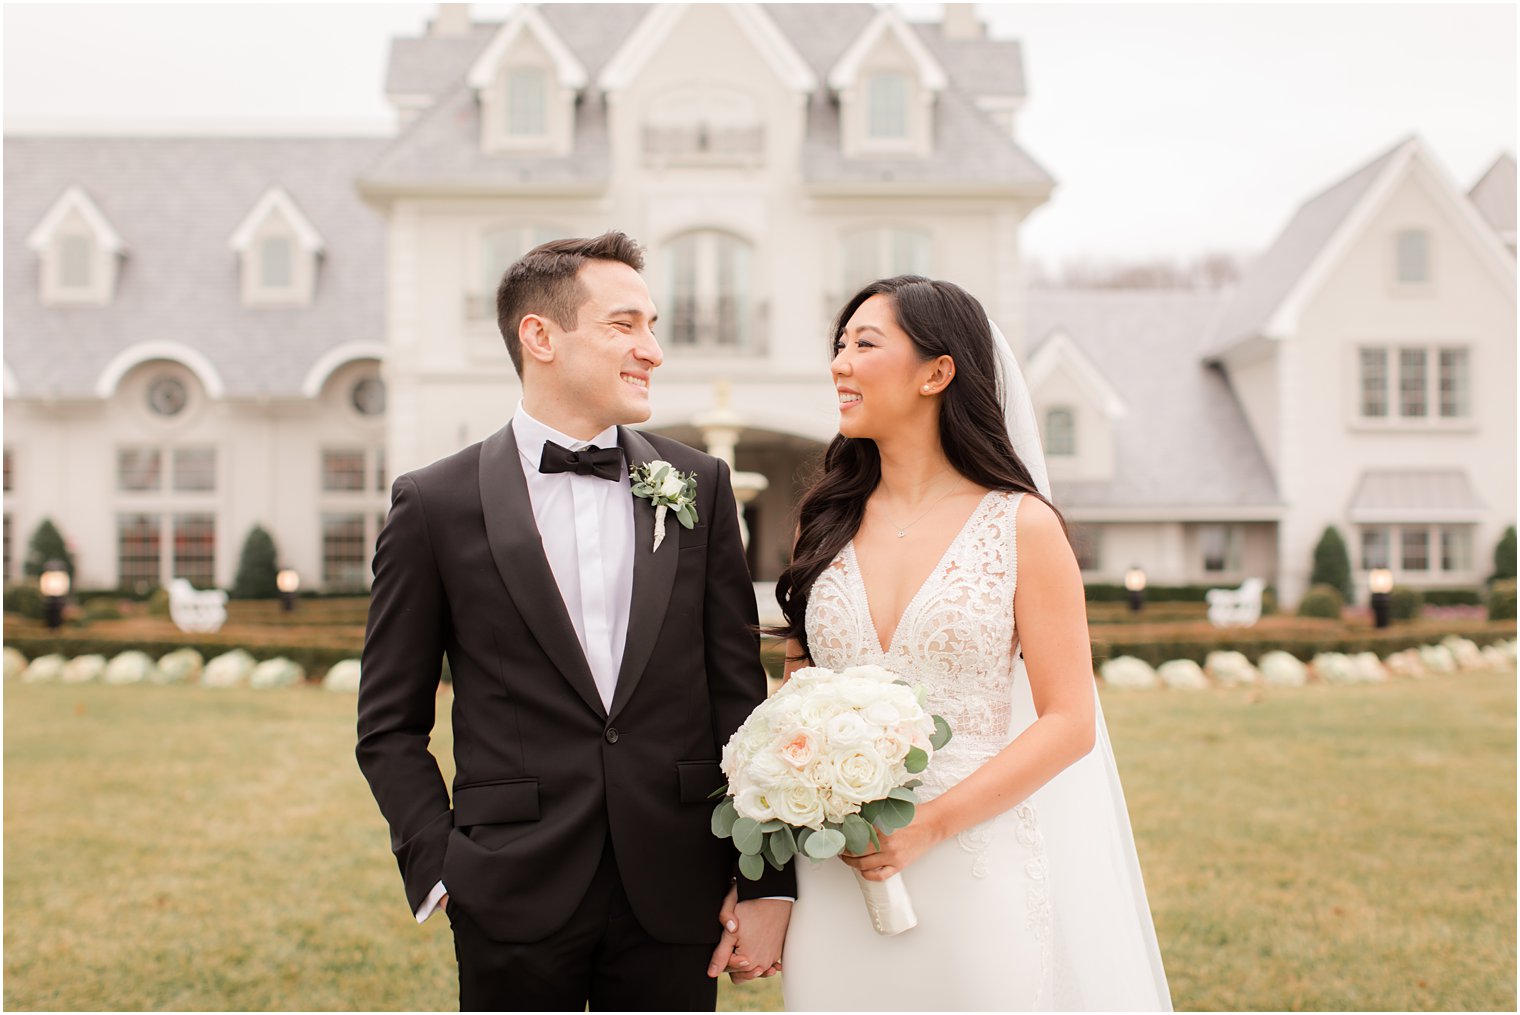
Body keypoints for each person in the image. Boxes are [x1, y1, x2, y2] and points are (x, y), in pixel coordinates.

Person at [356, 231, 793, 1011]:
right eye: (625, 325)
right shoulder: (434, 503)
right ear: (540, 336)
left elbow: (740, 701)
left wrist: (766, 883)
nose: (652, 349)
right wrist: (441, 865)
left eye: (653, 326)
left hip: (676, 882)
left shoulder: (700, 484)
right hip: (509, 884)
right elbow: (388, 724)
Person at [767, 276, 1172, 1010]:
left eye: (864, 343)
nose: (839, 363)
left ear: (937, 371)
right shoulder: (821, 524)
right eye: (838, 345)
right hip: (836, 872)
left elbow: (1068, 722)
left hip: (972, 857)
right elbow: (797, 698)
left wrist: (930, 824)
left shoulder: (1023, 528)